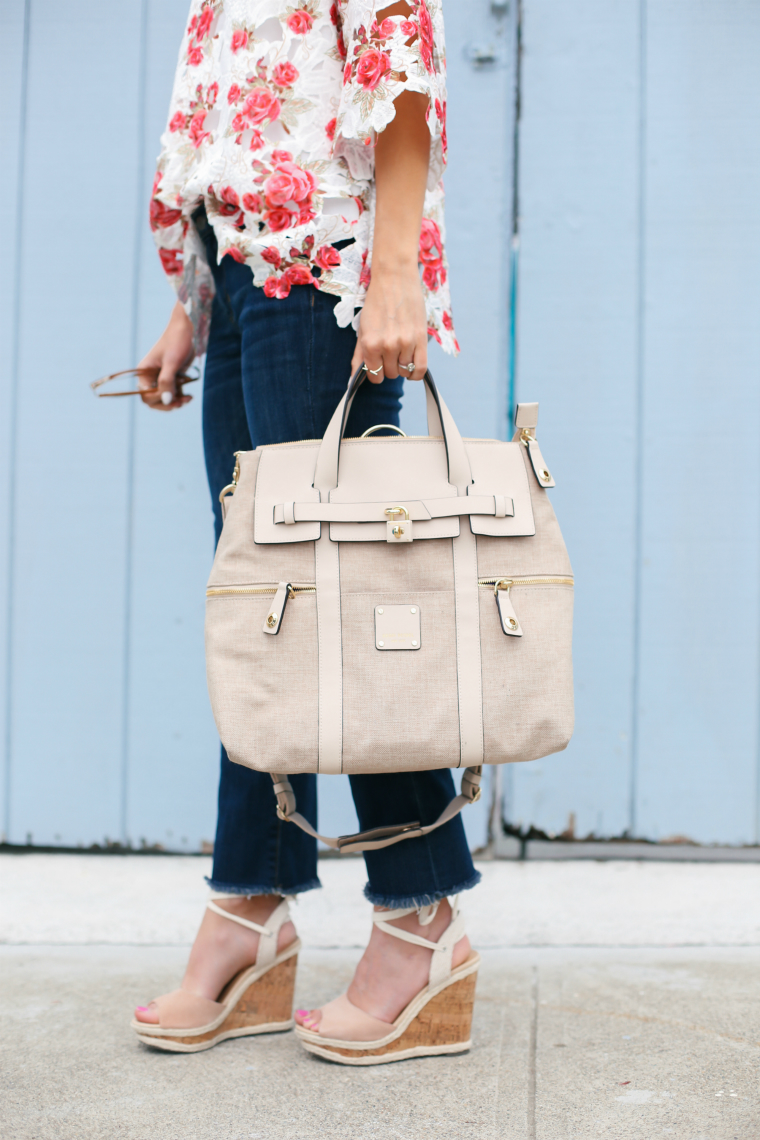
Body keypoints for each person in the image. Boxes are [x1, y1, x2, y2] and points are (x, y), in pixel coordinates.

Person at [131, 0, 478, 1062]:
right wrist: (194, 308)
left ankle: (419, 918)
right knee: (263, 611)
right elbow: (229, 124)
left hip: (322, 281)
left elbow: (400, 76)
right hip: (240, 283)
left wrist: (392, 271)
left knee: (345, 607)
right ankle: (255, 901)